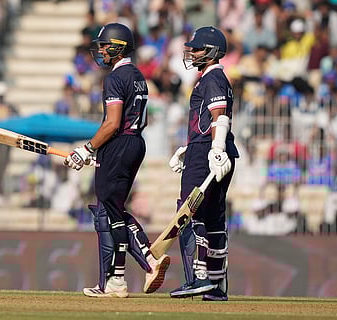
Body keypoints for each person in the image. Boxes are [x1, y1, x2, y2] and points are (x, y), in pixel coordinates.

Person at [63, 23, 170, 298]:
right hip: (135, 142)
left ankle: (127, 273)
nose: (99, 51)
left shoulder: (114, 78)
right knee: (113, 210)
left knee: (109, 211)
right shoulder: (138, 76)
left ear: (116, 46)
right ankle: (122, 275)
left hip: (119, 142)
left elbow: (111, 123)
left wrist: (86, 150)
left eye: (103, 46)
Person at [168, 26, 239, 301]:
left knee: (190, 211)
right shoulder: (215, 78)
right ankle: (217, 284)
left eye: (196, 48)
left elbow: (219, 116)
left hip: (209, 151)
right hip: (207, 149)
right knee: (214, 218)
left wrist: (215, 148)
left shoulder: (212, 78)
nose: (192, 52)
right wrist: (188, 148)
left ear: (210, 52)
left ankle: (199, 277)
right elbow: (209, 121)